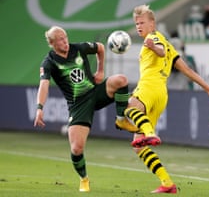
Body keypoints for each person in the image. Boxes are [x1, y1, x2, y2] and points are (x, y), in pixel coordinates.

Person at [115, 4, 209, 194]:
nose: (139, 26)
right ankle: (167, 183)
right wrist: (208, 88)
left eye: (142, 22)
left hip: (148, 88)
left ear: (153, 23)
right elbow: (187, 70)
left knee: (128, 106)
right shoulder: (169, 44)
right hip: (161, 94)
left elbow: (160, 51)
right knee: (139, 147)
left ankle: (149, 133)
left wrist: (153, 46)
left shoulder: (154, 38)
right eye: (136, 23)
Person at [34, 26, 134, 192]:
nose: (65, 41)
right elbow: (43, 85)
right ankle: (84, 178)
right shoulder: (49, 62)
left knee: (121, 80)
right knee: (76, 148)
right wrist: (39, 108)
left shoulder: (78, 48)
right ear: (52, 43)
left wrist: (100, 71)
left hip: (95, 92)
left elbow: (100, 47)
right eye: (60, 40)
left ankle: (121, 120)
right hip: (78, 105)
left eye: (65, 37)